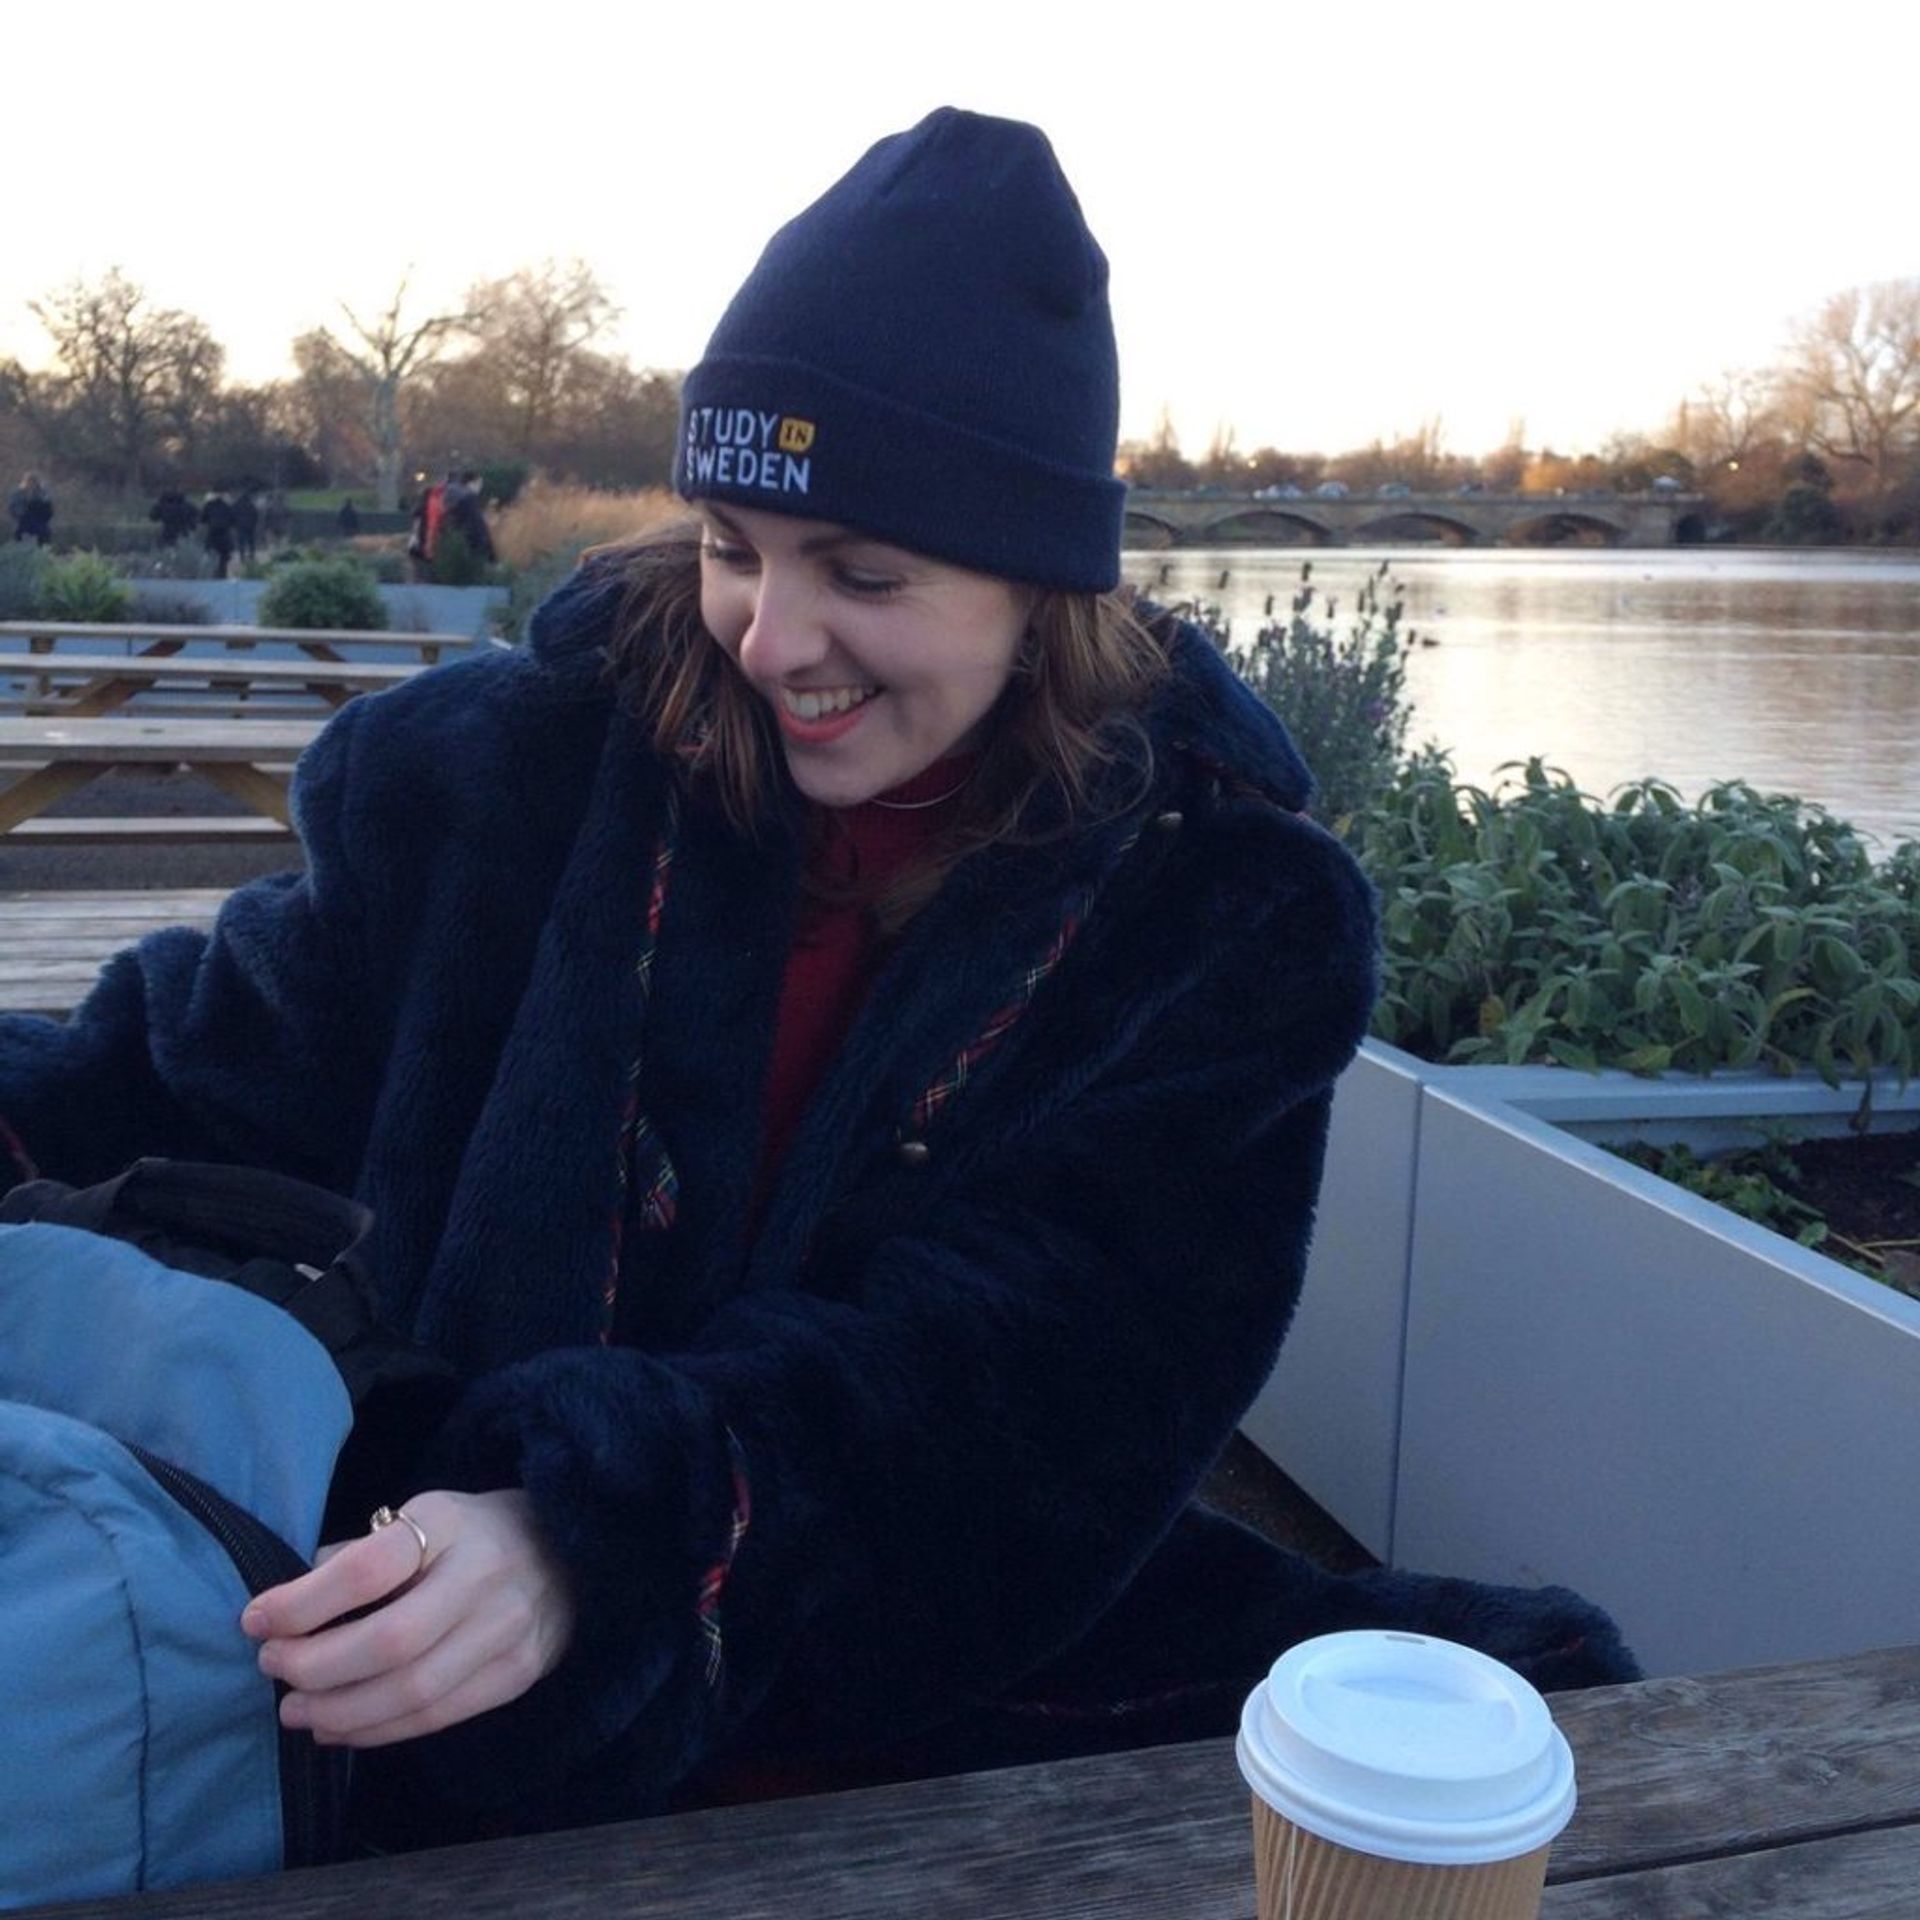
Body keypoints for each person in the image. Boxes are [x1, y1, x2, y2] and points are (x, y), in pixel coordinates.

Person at [0, 110, 1631, 1851]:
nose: (772, 640)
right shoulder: (493, 773)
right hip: (400, 1656)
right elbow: (177, 1069)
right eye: (731, 547)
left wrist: (601, 1534)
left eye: (864, 573)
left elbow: (1039, 1391)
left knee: (1550, 1720)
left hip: (920, 1645)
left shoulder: (1221, 922)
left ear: (1043, 585)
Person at [200, 489, 237, 578]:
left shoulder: (209, 506)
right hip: (224, 535)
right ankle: (222, 574)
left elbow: (202, 519)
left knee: (211, 555)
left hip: (212, 534)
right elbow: (233, 520)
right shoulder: (227, 506)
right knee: (224, 558)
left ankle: (213, 574)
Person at [9, 473, 53, 545]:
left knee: (44, 538)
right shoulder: (17, 494)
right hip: (23, 523)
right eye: (29, 482)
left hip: (40, 523)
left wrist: (36, 503)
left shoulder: (43, 494)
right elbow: (14, 510)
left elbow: (48, 511)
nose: (31, 485)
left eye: (33, 482)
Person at [233, 489, 260, 564]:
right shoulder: (251, 505)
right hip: (250, 526)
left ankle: (242, 557)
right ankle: (252, 556)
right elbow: (255, 515)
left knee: (241, 542)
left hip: (240, 526)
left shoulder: (236, 505)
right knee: (251, 542)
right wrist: (254, 524)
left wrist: (234, 524)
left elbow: (232, 515)